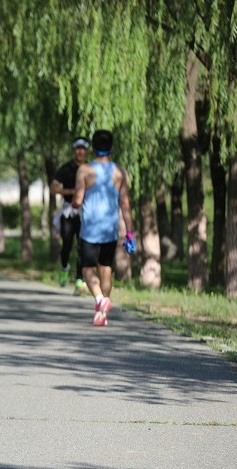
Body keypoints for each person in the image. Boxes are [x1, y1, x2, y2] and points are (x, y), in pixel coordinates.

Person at [72, 129, 136, 327]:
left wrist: (74, 203)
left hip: (90, 229)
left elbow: (77, 200)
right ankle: (102, 313)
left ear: (92, 148)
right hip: (110, 228)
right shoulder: (120, 172)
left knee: (88, 269)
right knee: (106, 268)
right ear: (112, 147)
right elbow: (125, 204)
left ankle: (100, 300)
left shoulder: (84, 170)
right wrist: (129, 233)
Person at [51, 138, 90, 295]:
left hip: (85, 211)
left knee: (82, 246)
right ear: (74, 150)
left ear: (87, 151)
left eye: (83, 149)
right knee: (67, 244)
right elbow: (53, 188)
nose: (80, 152)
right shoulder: (66, 168)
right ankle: (64, 267)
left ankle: (79, 279)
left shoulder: (90, 169)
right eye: (77, 149)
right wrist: (72, 192)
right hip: (68, 211)